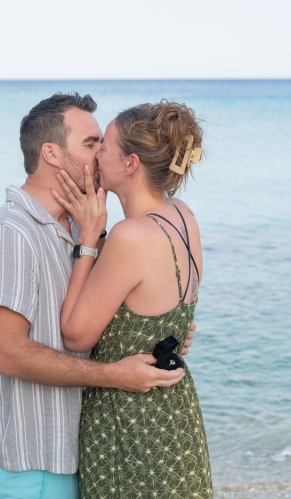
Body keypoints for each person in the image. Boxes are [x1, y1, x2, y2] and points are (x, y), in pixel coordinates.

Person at [0, 93, 196, 499]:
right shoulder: (10, 234)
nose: (99, 154)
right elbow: (6, 353)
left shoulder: (82, 228)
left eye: (102, 145)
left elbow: (120, 305)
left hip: (86, 454)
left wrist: (163, 331)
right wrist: (114, 375)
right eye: (91, 144)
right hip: (34, 465)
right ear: (52, 153)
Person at [52, 100, 212, 498]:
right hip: (175, 415)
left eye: (104, 145)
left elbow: (75, 336)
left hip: (132, 425)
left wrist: (88, 240)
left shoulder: (131, 236)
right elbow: (168, 311)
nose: (97, 153)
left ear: (130, 163)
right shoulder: (183, 214)